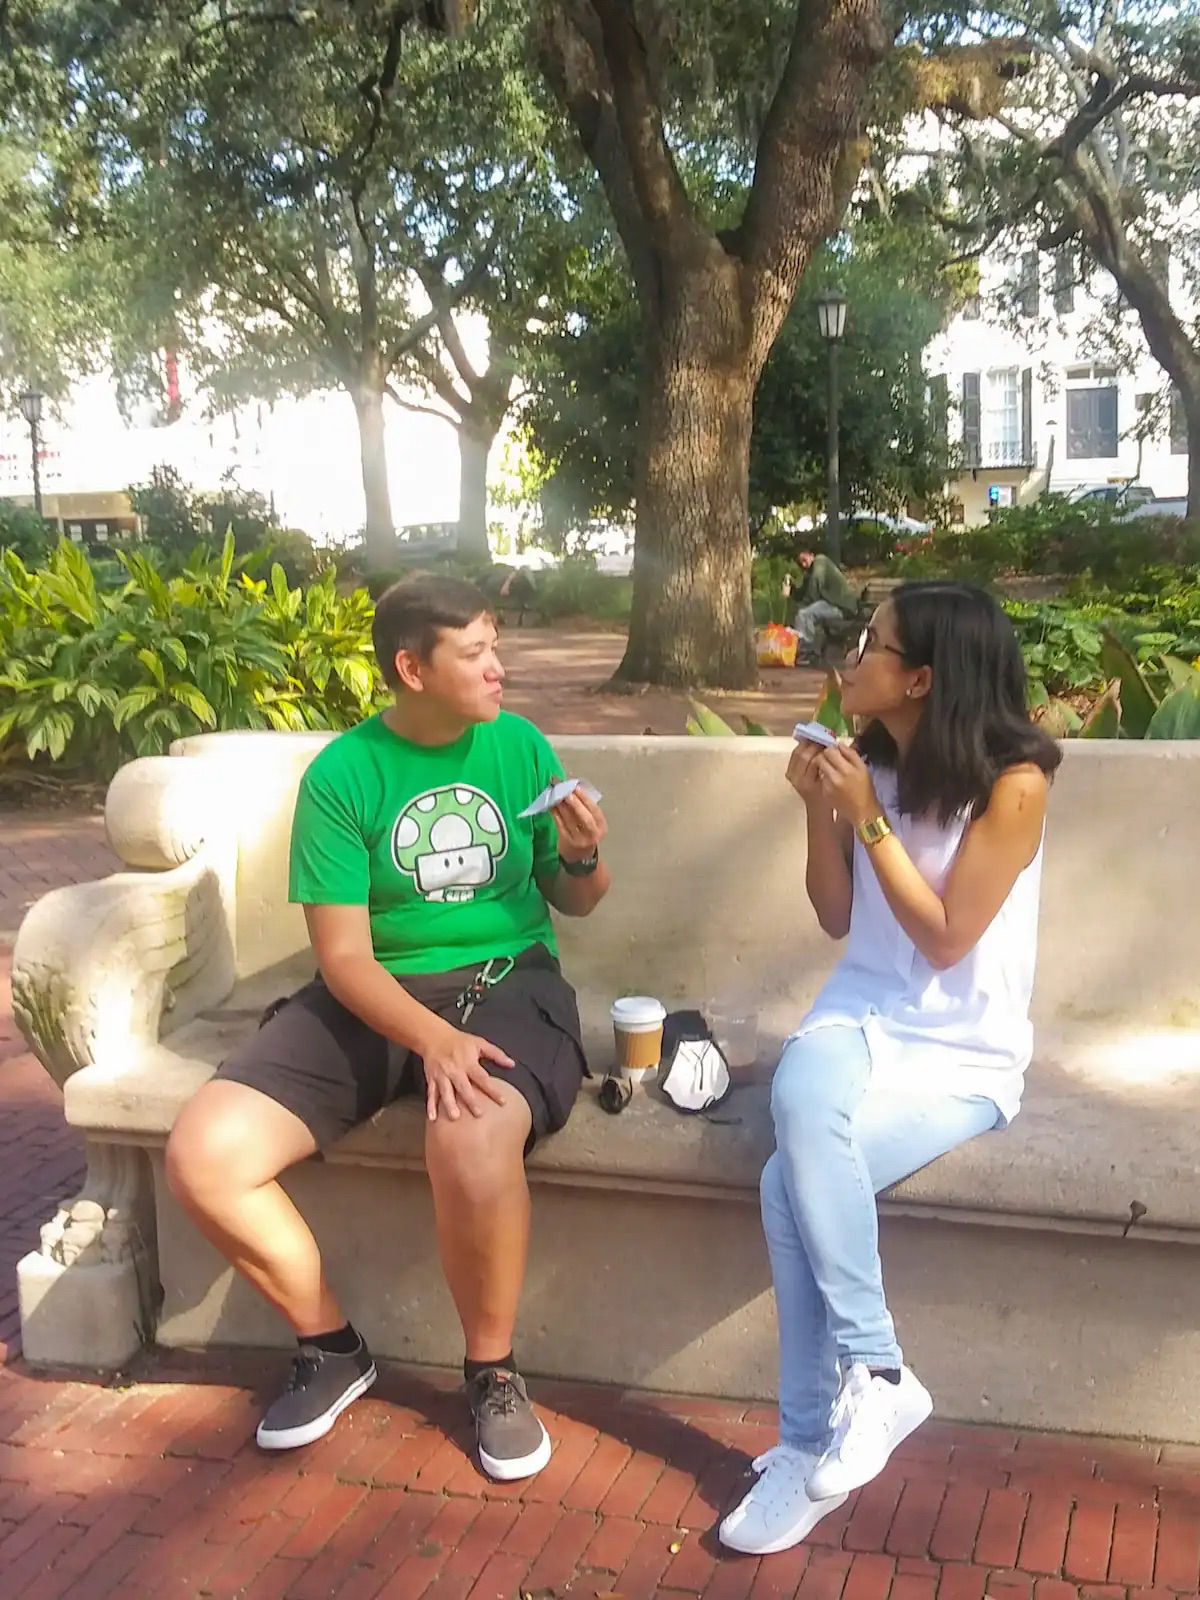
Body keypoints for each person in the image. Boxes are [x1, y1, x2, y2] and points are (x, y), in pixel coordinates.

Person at [164, 573, 610, 1482]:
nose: (500, 666)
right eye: (476, 651)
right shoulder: (344, 776)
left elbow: (578, 901)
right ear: (412, 667)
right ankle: (330, 1347)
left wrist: (583, 853)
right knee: (205, 1154)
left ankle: (491, 1371)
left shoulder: (518, 746)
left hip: (506, 980)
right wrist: (428, 1037)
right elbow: (345, 960)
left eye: (496, 644)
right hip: (377, 992)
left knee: (475, 1136)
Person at [720, 580, 1061, 1556]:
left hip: (963, 1050)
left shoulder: (1016, 784)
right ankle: (873, 1381)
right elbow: (837, 919)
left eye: (871, 646)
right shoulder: (870, 761)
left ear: (919, 677)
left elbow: (949, 939)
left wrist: (867, 816)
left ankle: (815, 1426)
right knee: (799, 1101)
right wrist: (818, 814)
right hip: (860, 1010)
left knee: (791, 1178)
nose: (849, 659)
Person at [791, 551, 860, 659]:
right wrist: (792, 590)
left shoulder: (820, 561)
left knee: (804, 615)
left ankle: (807, 651)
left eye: (804, 560)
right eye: (801, 564)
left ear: (811, 555)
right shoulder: (810, 572)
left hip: (841, 607)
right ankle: (804, 650)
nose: (804, 565)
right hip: (831, 605)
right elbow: (803, 592)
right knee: (803, 614)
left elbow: (816, 583)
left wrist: (805, 605)